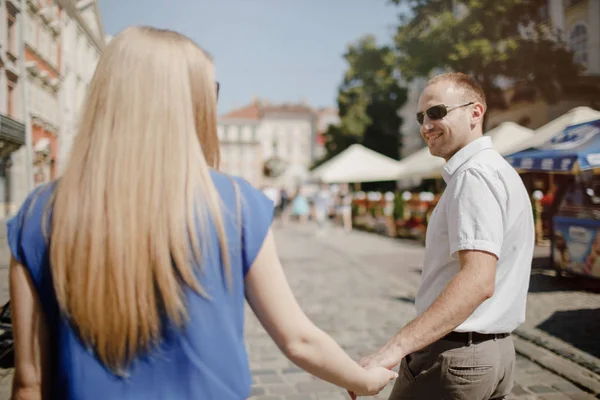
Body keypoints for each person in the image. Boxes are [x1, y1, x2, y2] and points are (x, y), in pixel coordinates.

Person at [8, 26, 397, 400]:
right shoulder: (235, 203)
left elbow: (29, 383)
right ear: (188, 103)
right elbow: (298, 339)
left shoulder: (39, 214)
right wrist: (363, 381)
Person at [357, 73, 534, 400]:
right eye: (421, 117)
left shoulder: (474, 175)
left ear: (475, 113)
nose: (426, 125)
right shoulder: (495, 169)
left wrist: (391, 350)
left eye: (437, 112)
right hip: (495, 353)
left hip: (454, 358)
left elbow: (478, 280)